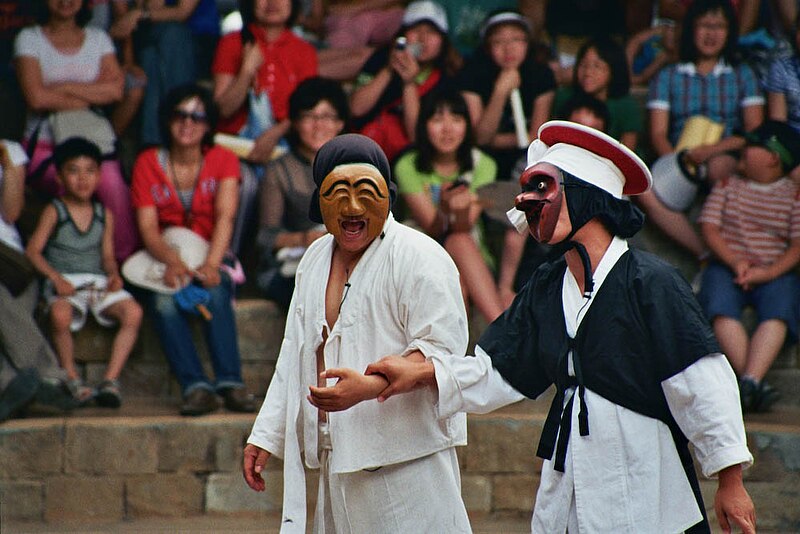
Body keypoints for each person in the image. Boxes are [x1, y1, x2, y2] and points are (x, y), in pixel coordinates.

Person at [348, 120, 757, 533]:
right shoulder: (546, 287)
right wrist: (418, 374)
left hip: (644, 477)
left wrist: (730, 478)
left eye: (542, 188)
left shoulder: (651, 282)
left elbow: (701, 381)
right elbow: (498, 371)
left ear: (584, 194)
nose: (526, 201)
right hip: (571, 478)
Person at [243, 134, 472, 532]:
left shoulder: (421, 257)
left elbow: (442, 351)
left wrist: (369, 386)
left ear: (386, 196)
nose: (352, 208)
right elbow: (295, 352)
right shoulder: (314, 259)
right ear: (320, 204)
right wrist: (267, 434)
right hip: (339, 453)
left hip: (407, 460)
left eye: (365, 193)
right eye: (338, 195)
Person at [130, 83, 255, 416]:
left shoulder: (223, 159)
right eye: (180, 115)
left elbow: (225, 218)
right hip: (164, 256)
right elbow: (147, 229)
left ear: (209, 124)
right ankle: (195, 387)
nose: (188, 123)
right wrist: (172, 262)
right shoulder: (147, 162)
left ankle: (230, 382)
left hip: (210, 253)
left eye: (198, 117)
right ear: (167, 120)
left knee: (215, 292)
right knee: (163, 302)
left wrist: (212, 266)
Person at [14, 0, 139, 262]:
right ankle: (69, 264)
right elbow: (36, 98)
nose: (66, 1)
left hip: (93, 144)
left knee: (113, 184)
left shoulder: (98, 38)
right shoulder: (30, 38)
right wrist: (90, 96)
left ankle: (122, 263)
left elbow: (115, 91)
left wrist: (61, 88)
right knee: (72, 182)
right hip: (47, 145)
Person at [642, 0, 764, 259]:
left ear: (730, 31)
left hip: (724, 155)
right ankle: (705, 253)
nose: (711, 33)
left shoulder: (743, 75)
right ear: (691, 29)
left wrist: (712, 150)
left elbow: (754, 131)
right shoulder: (668, 76)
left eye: (719, 26)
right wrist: (679, 162)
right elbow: (658, 134)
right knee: (643, 190)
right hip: (677, 158)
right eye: (704, 25)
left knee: (720, 165)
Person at [25, 138, 142, 407]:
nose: (82, 178)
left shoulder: (104, 213)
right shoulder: (55, 211)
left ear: (100, 175)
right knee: (59, 314)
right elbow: (33, 251)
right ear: (60, 176)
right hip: (65, 284)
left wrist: (114, 275)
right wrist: (56, 278)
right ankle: (71, 376)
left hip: (96, 282)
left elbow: (107, 257)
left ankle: (110, 380)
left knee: (133, 312)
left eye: (90, 170)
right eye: (73, 170)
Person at [394, 88, 524, 322]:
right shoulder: (408, 165)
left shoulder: (483, 164)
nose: (447, 129)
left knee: (459, 242)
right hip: (424, 247)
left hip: (468, 249)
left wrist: (459, 209)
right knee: (456, 282)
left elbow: (463, 226)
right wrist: (444, 207)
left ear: (467, 125)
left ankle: (496, 332)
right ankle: (501, 329)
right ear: (424, 125)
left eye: (456, 119)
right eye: (437, 119)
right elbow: (433, 229)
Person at [697, 120, 800, 413]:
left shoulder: (793, 195)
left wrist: (767, 272)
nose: (743, 148)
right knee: (719, 306)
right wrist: (735, 261)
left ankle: (748, 380)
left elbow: (796, 246)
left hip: (774, 271)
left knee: (780, 310)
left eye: (752, 145)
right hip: (727, 267)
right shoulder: (728, 186)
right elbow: (709, 227)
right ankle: (752, 384)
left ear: (773, 157)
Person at [0, 138, 75, 422]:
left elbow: (10, 213)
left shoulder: (10, 150)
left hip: (10, 263)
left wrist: (5, 162)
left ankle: (10, 384)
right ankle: (45, 379)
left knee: (10, 304)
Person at [255, 76, 347, 308]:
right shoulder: (279, 170)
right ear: (295, 123)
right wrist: (306, 239)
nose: (318, 125)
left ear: (340, 123)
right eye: (309, 117)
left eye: (327, 116)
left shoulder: (355, 165)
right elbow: (265, 238)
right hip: (293, 266)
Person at [349, 0, 461, 162]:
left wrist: (409, 83)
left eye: (431, 32)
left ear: (442, 41)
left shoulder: (447, 77)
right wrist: (389, 69)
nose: (422, 39)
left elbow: (417, 136)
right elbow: (356, 109)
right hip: (365, 150)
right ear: (401, 36)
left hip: (410, 159)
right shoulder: (381, 58)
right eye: (415, 30)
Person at [212, 0, 318, 166]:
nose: (272, 3)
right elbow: (223, 110)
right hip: (235, 148)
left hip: (287, 146)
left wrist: (274, 134)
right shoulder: (231, 42)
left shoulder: (305, 51)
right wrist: (246, 71)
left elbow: (307, 110)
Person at [458, 9, 555, 181]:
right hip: (484, 159)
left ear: (528, 43)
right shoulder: (471, 75)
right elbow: (480, 138)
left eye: (516, 39)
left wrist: (496, 140)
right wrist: (501, 90)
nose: (509, 48)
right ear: (487, 47)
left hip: (528, 158)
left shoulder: (542, 75)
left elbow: (537, 138)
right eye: (498, 41)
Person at [553, 36, 642, 150]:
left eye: (597, 66)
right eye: (583, 65)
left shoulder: (625, 106)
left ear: (613, 70)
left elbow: (627, 152)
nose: (588, 72)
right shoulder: (565, 96)